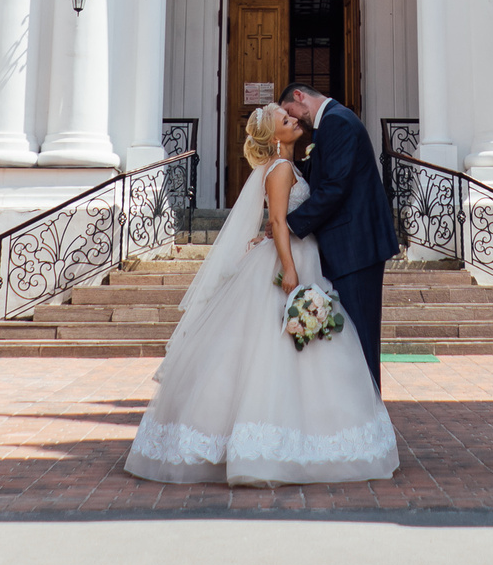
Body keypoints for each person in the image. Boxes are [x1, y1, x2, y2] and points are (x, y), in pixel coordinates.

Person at [123, 101, 399, 485]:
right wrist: (289, 267)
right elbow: (278, 222)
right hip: (290, 261)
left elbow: (279, 220)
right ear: (275, 137)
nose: (294, 120)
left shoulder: (289, 166)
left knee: (297, 344)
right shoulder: (281, 168)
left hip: (301, 255)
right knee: (277, 344)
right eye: (286, 120)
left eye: (291, 116)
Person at [279, 83, 399, 387]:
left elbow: (335, 187)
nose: (294, 120)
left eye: (290, 112)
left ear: (299, 97)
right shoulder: (331, 123)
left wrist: (289, 224)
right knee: (351, 338)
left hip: (356, 248)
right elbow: (322, 175)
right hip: (349, 246)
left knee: (360, 335)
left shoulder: (337, 122)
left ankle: (369, 408)